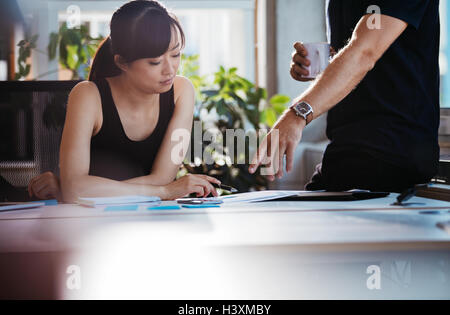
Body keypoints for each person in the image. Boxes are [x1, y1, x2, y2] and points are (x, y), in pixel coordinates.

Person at [29, 0, 220, 202]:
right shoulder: (88, 96)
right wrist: (165, 191)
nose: (170, 70)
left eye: (175, 54)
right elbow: (76, 191)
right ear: (122, 62)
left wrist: (79, 188)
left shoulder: (182, 92)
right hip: (92, 222)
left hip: (152, 219)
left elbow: (163, 177)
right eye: (155, 62)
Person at [249, 0, 440, 192]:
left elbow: (364, 52)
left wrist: (298, 113)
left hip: (392, 151)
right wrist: (319, 67)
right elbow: (359, 58)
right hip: (347, 149)